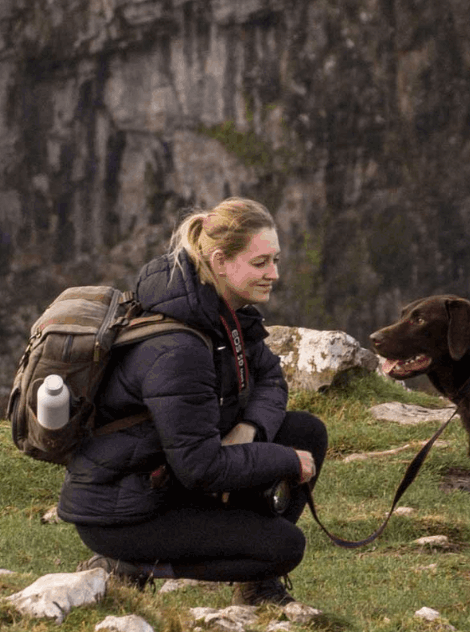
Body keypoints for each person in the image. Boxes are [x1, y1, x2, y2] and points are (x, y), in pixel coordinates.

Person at [58, 197, 328, 605]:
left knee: (307, 431)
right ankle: (129, 565)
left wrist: (250, 430)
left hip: (170, 477)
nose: (274, 273)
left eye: (274, 260)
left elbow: (270, 376)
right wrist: (286, 461)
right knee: (283, 547)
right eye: (260, 263)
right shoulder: (178, 348)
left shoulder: (224, 312)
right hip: (125, 509)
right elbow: (201, 468)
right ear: (220, 261)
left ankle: (256, 581)